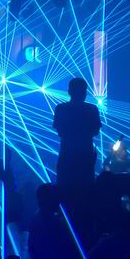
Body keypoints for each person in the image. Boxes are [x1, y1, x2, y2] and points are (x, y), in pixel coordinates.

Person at [52, 78, 101, 211]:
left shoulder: (61, 109)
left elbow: (60, 131)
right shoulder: (92, 109)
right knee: (85, 193)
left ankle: (65, 219)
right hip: (85, 156)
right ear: (85, 92)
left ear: (69, 91)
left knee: (65, 192)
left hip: (67, 155)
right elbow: (96, 131)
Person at [28, 184, 79, 259]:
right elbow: (65, 248)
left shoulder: (36, 219)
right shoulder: (54, 222)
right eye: (56, 197)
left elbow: (32, 247)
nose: (59, 200)